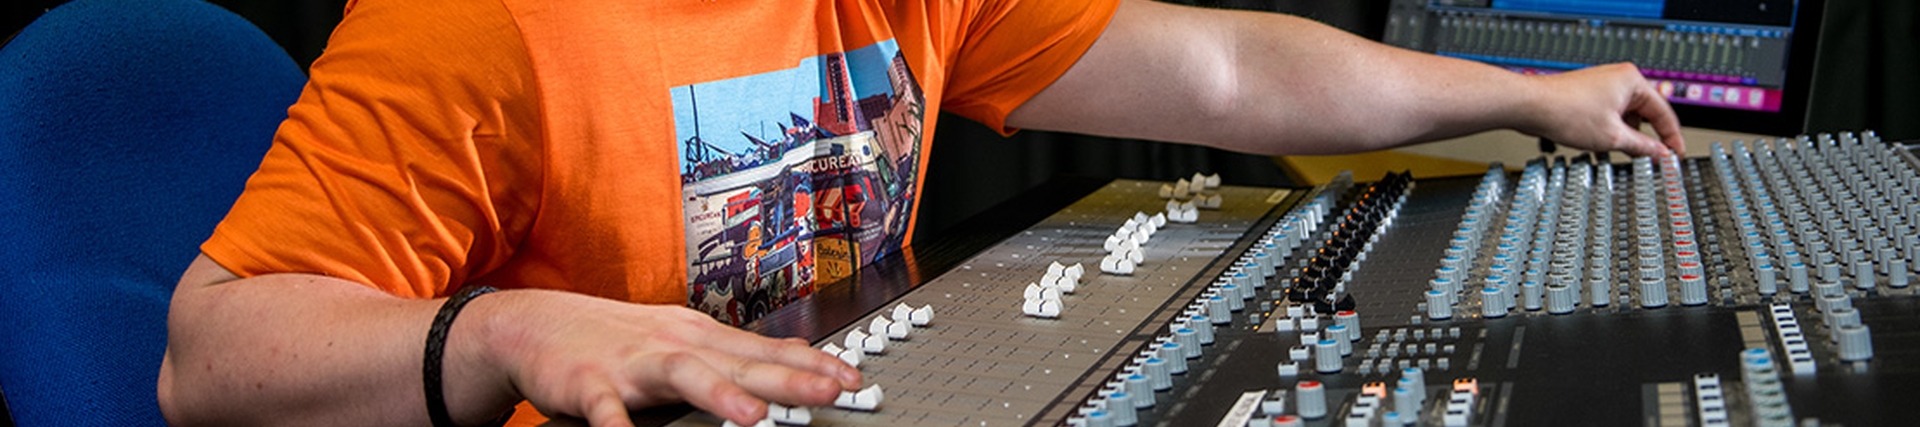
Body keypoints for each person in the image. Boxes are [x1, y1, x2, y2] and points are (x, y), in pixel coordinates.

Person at [156, 0, 1683, 426]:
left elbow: (1222, 68)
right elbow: (207, 357)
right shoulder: (481, 24)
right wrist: (502, 330)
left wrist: (1516, 94)